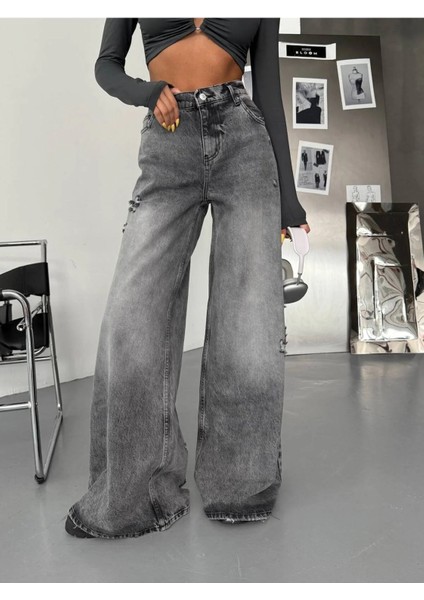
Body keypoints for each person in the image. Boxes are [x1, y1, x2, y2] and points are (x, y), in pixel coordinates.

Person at [65, 17, 310, 540]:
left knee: (247, 324)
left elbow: (269, 93)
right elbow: (106, 66)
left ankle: (239, 486)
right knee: (131, 319)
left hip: (244, 143)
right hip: (168, 142)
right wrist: (147, 92)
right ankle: (136, 496)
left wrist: (289, 203)